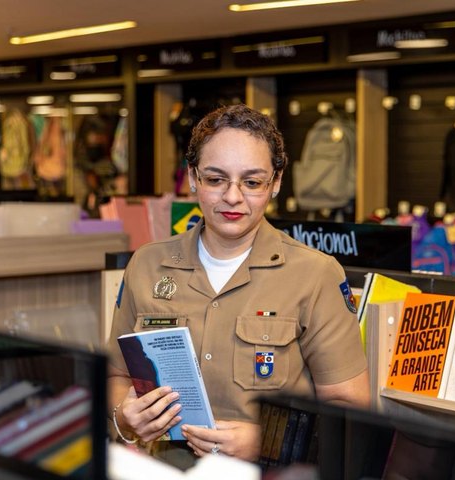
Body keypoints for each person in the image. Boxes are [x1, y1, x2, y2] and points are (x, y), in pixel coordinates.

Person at [107, 104, 370, 468]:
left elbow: (350, 412)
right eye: (216, 179)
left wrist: (267, 441)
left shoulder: (315, 274)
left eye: (252, 182)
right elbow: (116, 376)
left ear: (275, 182)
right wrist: (123, 415)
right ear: (193, 177)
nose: (233, 197)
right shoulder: (147, 264)